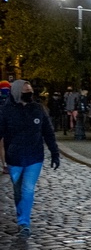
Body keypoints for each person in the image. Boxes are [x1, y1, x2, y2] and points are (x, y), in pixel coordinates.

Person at [0, 80, 60, 238]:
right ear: (17, 92)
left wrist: (55, 153)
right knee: (18, 191)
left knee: (28, 189)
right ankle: (22, 218)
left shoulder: (38, 109)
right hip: (15, 158)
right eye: (26, 91)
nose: (29, 93)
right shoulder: (6, 111)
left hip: (34, 157)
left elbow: (48, 132)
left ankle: (24, 222)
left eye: (30, 90)